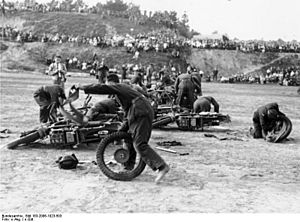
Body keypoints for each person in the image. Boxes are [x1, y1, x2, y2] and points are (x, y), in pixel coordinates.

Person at [75, 74, 169, 183]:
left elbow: (102, 88)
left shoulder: (119, 86)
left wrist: (83, 87)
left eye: (107, 84)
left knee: (139, 143)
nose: (107, 87)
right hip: (136, 112)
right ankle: (128, 166)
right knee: (128, 138)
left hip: (141, 112)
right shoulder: (121, 94)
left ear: (111, 83)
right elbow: (126, 114)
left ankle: (161, 166)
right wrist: (120, 132)